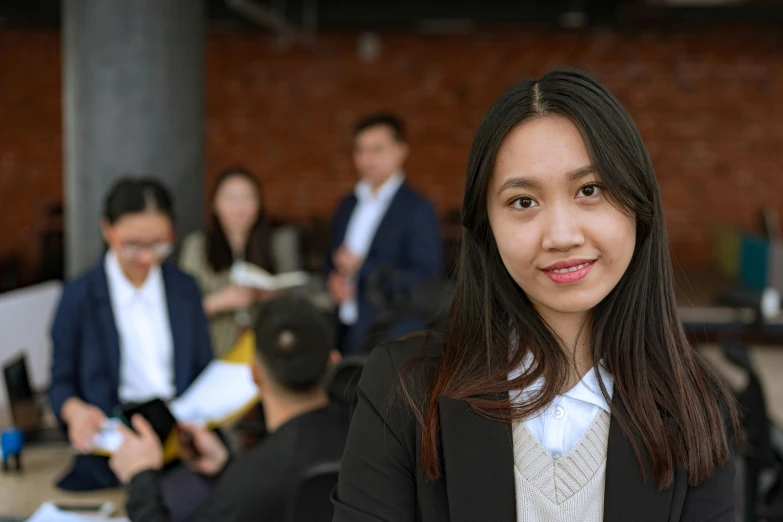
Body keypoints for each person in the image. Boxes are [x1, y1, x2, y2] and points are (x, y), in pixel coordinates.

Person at [333, 68, 741, 521]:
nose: (561, 236)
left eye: (590, 190)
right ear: (485, 226)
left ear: (639, 207)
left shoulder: (696, 406)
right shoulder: (402, 390)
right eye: (523, 201)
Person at [108, 294, 348, 522]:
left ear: (254, 374)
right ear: (333, 361)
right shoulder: (367, 436)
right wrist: (226, 467)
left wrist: (141, 478)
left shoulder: (253, 477)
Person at [49, 178, 214, 491]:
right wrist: (75, 411)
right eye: (133, 244)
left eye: (159, 244)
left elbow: (202, 368)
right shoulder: (79, 296)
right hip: (109, 455)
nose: (146, 258)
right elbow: (60, 381)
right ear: (107, 230)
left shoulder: (184, 288)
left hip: (181, 450)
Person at [325, 114, 443, 354]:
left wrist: (363, 268)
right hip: (345, 328)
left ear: (400, 151)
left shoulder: (417, 208)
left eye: (377, 149)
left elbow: (427, 277)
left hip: (391, 335)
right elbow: (331, 258)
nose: (367, 159)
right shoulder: (347, 205)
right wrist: (331, 281)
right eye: (361, 150)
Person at [180, 168, 278, 358]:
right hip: (211, 349)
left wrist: (268, 295)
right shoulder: (197, 246)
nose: (240, 207)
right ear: (214, 203)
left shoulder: (271, 244)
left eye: (247, 198)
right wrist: (220, 301)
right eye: (231, 198)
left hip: (261, 354)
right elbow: (182, 308)